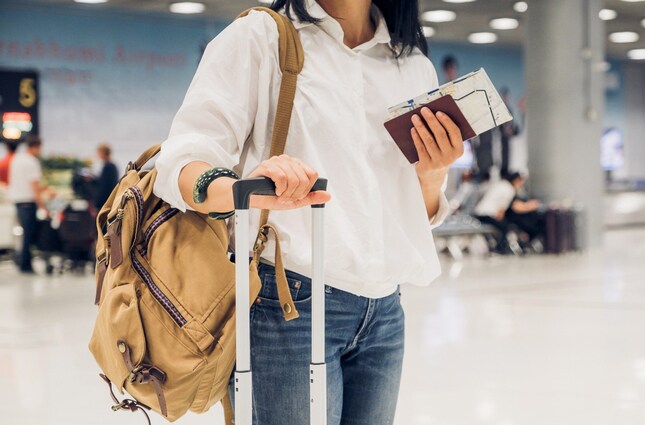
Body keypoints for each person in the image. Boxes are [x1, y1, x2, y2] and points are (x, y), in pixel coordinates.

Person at [153, 1, 464, 423]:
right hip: (289, 301)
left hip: (386, 310)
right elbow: (181, 163)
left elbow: (416, 213)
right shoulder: (262, 37)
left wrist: (433, 174)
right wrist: (246, 189)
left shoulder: (411, 65)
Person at [8, 136, 48, 273]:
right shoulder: (32, 162)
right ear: (36, 147)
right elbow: (34, 187)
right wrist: (43, 206)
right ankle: (25, 265)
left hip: (18, 202)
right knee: (29, 236)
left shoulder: (16, 160)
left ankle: (23, 262)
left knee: (26, 234)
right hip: (28, 203)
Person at [498, 87, 520, 177]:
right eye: (504, 96)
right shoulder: (498, 110)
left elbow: (515, 127)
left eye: (507, 96)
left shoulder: (510, 110)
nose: (506, 98)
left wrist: (510, 131)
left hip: (508, 141)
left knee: (508, 158)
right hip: (499, 141)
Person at [94, 143, 119, 209]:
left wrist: (97, 204)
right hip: (110, 200)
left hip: (106, 201)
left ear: (103, 153)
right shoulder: (112, 166)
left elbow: (104, 187)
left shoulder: (108, 167)